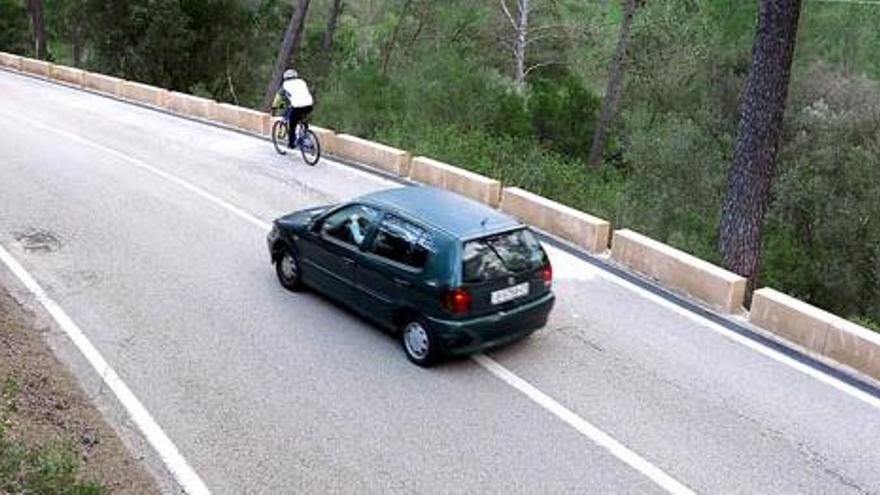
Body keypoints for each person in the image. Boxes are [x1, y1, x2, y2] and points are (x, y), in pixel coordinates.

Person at [272, 69, 314, 149]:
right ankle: (305, 134)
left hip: (297, 106)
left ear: (286, 78)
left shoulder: (286, 84)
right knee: (302, 119)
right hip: (309, 105)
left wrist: (275, 108)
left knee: (292, 125)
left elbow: (280, 98)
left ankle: (291, 144)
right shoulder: (302, 82)